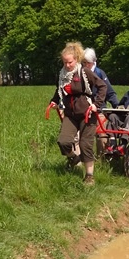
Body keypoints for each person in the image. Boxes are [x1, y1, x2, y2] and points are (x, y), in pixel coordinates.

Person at [48, 42, 107, 185]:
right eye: (65, 62)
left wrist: (96, 105)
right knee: (63, 141)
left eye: (70, 62)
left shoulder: (84, 72)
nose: (67, 65)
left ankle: (89, 175)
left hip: (87, 113)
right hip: (70, 114)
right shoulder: (62, 75)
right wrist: (54, 101)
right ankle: (74, 158)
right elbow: (59, 90)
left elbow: (102, 86)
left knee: (85, 144)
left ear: (77, 59)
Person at [83, 48, 119, 155]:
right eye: (83, 62)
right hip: (84, 110)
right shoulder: (80, 73)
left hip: (99, 109)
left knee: (102, 136)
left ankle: (102, 159)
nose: (85, 65)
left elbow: (109, 92)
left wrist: (117, 106)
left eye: (87, 63)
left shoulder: (99, 73)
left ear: (93, 61)